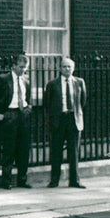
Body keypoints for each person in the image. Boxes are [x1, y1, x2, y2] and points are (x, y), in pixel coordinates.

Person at [0, 54, 32, 189]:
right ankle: (6, 181)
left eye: (25, 67)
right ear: (13, 66)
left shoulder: (26, 80)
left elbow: (27, 97)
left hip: (23, 115)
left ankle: (22, 180)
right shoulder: (3, 79)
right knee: (9, 149)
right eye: (21, 67)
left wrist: (29, 108)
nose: (23, 70)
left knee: (24, 149)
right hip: (9, 115)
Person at [44, 57, 87, 188]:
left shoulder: (79, 82)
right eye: (64, 66)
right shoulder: (52, 84)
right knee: (56, 152)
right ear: (60, 68)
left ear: (73, 68)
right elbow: (47, 104)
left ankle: (74, 181)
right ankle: (54, 180)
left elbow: (82, 102)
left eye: (69, 66)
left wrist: (75, 114)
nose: (67, 69)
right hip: (59, 120)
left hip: (73, 120)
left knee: (73, 152)